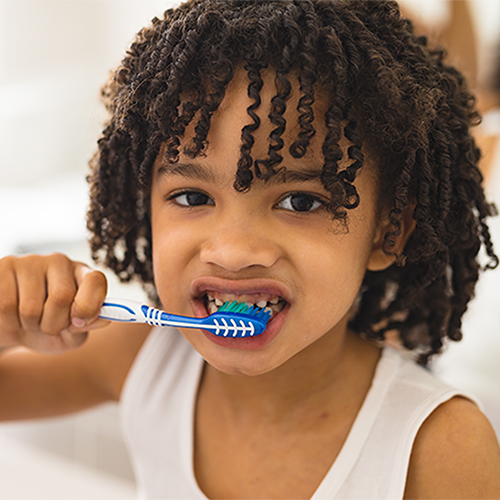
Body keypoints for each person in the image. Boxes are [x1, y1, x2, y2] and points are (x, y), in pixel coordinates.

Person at [0, 1, 499, 498]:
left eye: (301, 201)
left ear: (390, 231)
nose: (233, 252)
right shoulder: (141, 356)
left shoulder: (441, 450)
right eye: (192, 197)